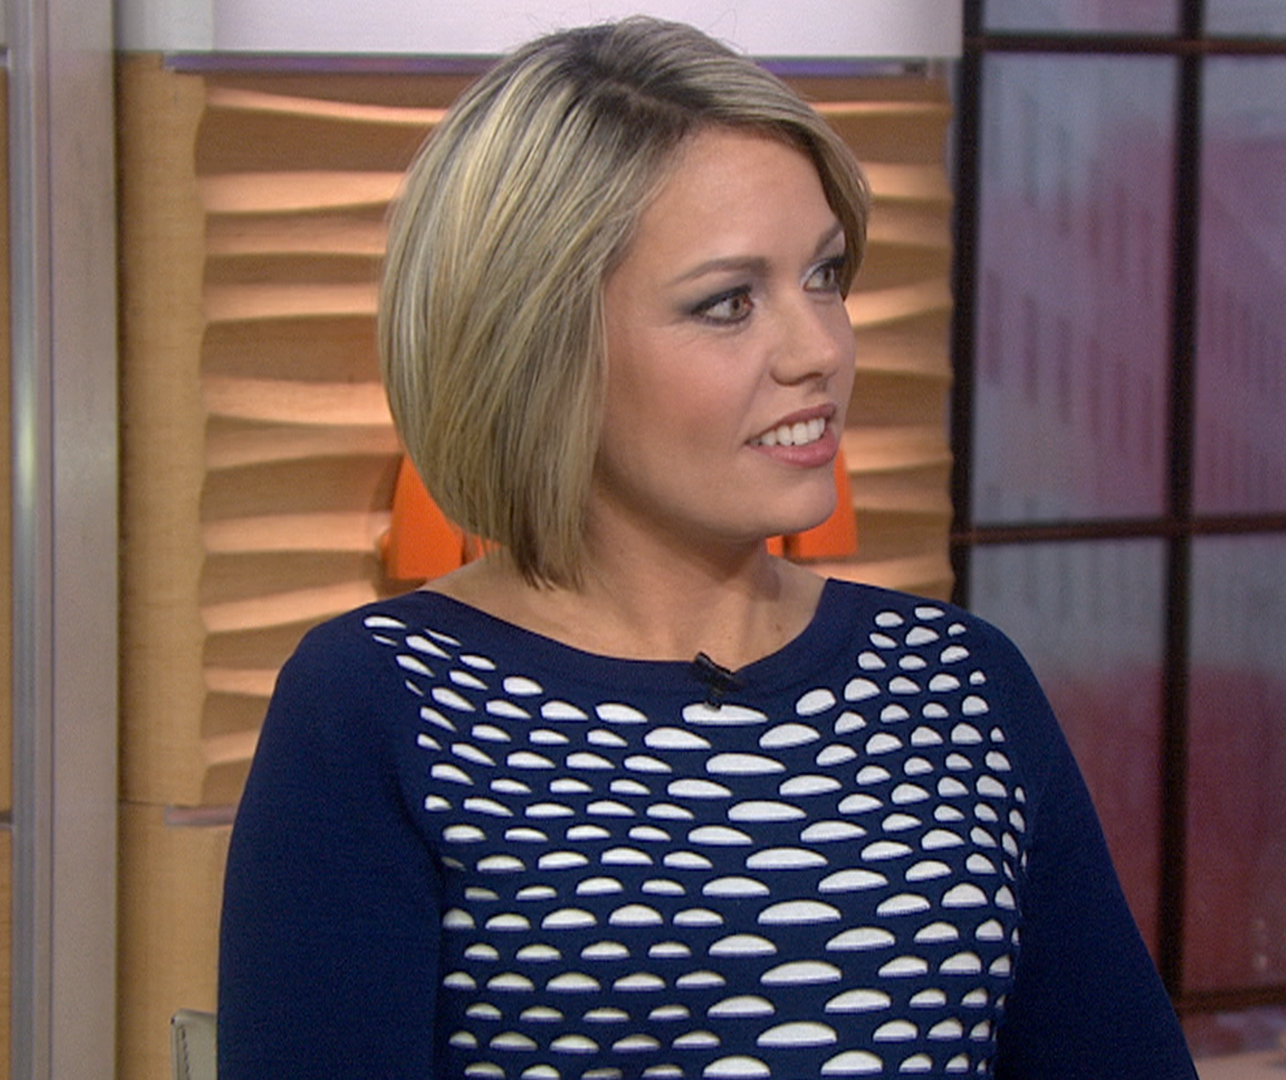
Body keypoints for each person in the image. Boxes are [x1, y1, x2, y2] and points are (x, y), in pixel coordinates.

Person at [216, 16, 1197, 1079]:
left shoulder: (960, 683)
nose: (819, 350)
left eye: (825, 276)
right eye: (729, 303)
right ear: (542, 347)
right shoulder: (378, 703)